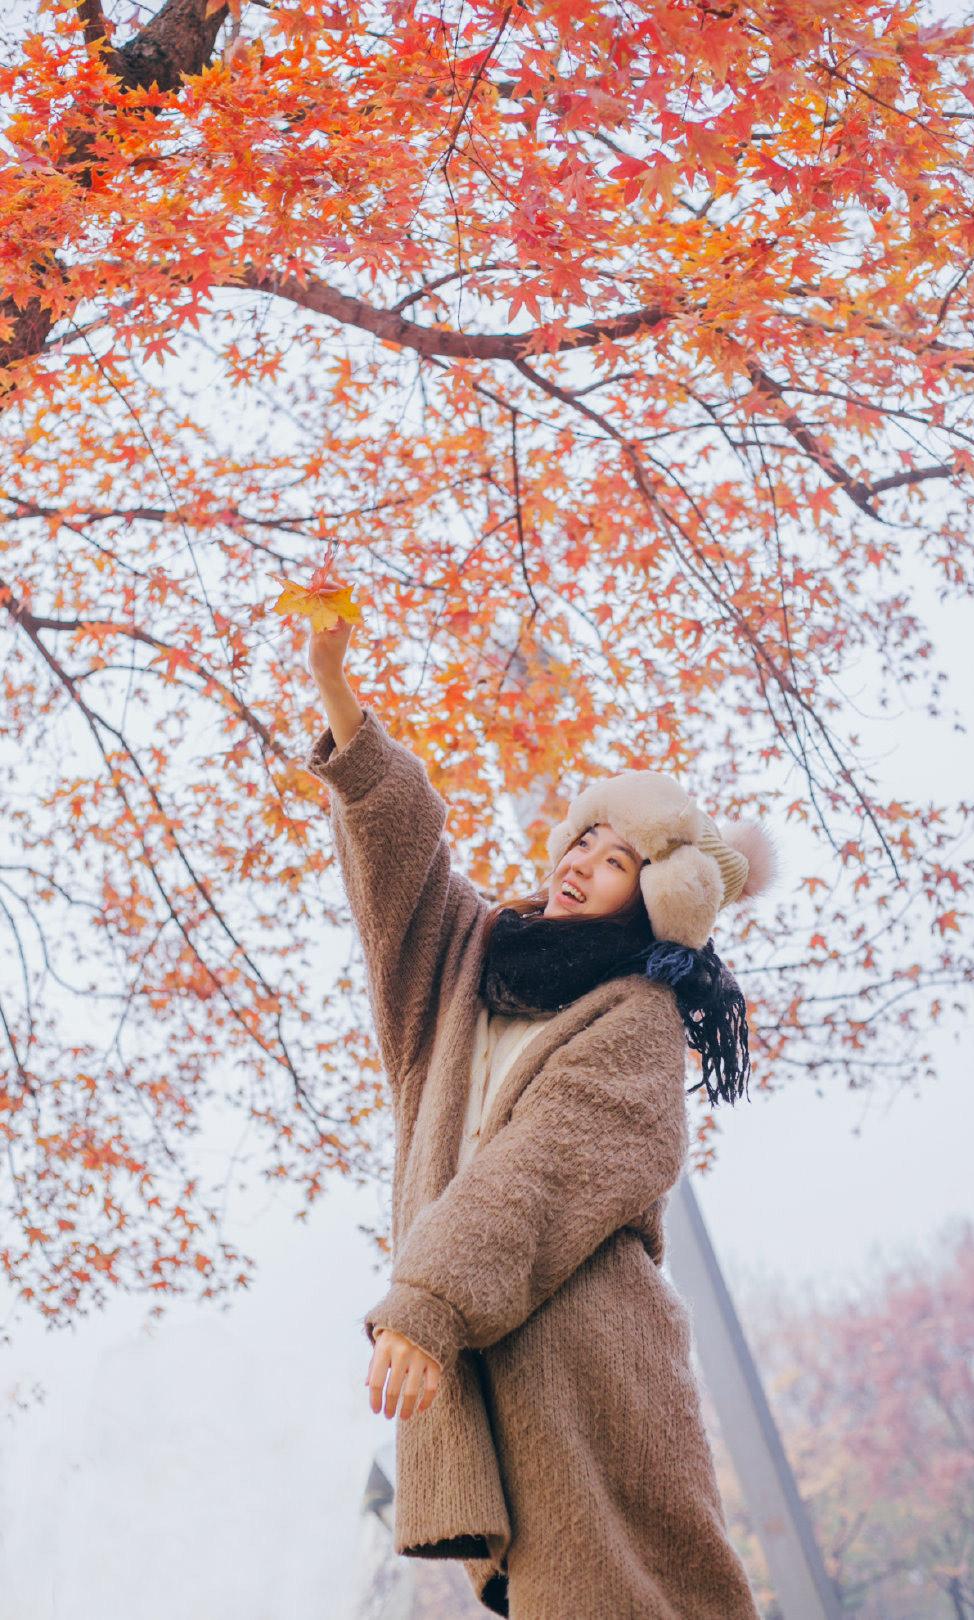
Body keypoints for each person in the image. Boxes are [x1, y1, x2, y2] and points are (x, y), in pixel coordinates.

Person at [303, 617, 777, 1619]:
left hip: (589, 1364)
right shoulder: (467, 958)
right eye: (585, 839)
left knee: (635, 1596)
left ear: (648, 901)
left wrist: (427, 1302)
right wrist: (338, 693)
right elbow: (400, 865)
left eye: (617, 861)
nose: (584, 860)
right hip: (473, 1342)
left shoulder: (637, 1020)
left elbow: (540, 1168)